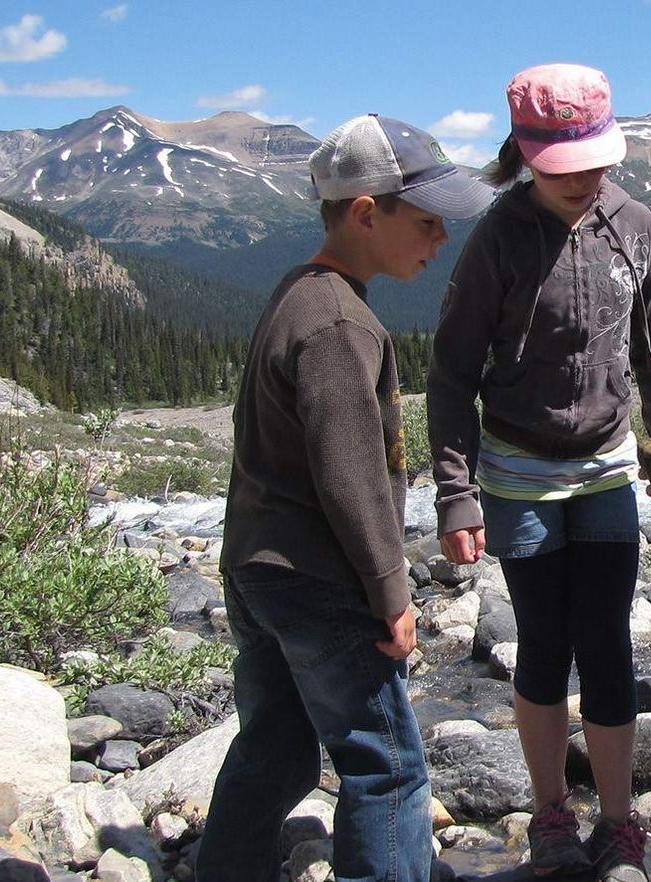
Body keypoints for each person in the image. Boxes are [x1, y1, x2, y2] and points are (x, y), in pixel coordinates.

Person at [201, 114, 495, 882]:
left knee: (276, 746)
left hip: (257, 566)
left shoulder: (299, 293)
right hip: (321, 581)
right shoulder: (339, 322)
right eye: (427, 221)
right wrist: (390, 591)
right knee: (385, 766)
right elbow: (351, 474)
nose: (441, 239)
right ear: (367, 213)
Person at [427, 63, 651, 882]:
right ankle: (550, 815)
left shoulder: (635, 225)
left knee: (607, 643)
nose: (584, 178)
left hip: (609, 469)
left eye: (596, 162)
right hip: (516, 473)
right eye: (562, 164)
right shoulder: (499, 239)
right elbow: (451, 373)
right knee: (542, 643)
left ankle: (618, 823)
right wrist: (456, 493)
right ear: (526, 155)